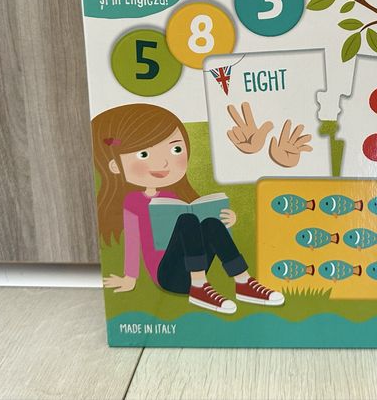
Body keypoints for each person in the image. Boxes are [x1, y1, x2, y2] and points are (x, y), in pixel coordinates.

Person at [93, 103, 284, 313]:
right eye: (143, 155)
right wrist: (130, 278)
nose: (163, 163)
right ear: (115, 166)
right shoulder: (132, 202)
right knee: (187, 220)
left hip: (193, 265)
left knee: (210, 223)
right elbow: (132, 240)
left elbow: (199, 234)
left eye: (175, 149)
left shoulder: (172, 197)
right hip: (167, 275)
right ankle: (199, 287)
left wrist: (227, 220)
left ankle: (243, 282)